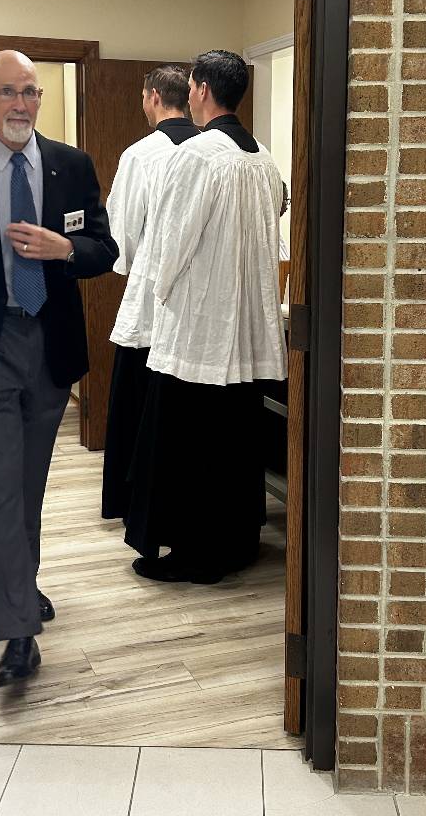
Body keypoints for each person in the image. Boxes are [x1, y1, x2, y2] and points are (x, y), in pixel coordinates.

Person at [0, 50, 118, 686]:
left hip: (51, 344)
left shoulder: (71, 165)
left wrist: (64, 248)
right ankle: (16, 631)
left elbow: (104, 248)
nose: (21, 104)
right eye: (8, 92)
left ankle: (20, 585)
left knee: (29, 485)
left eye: (31, 93)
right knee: (2, 488)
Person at [125, 49, 287, 584]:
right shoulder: (263, 155)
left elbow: (170, 243)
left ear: (198, 89)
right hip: (246, 327)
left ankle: (198, 554)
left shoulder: (197, 155)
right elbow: (278, 210)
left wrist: (159, 296)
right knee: (237, 440)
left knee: (190, 444)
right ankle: (239, 541)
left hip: (199, 328)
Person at [102, 64, 200, 522]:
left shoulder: (141, 155)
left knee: (141, 406)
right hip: (200, 313)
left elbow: (121, 236)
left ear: (155, 97)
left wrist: (135, 266)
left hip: (150, 300)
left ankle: (134, 500)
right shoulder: (214, 149)